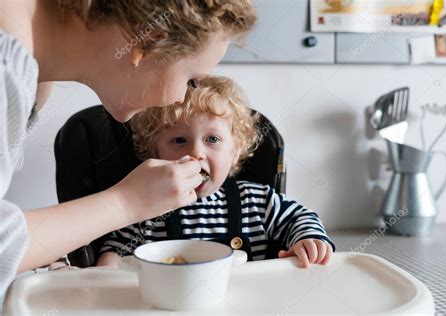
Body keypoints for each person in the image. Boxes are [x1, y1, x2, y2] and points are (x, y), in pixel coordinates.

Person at [0, 0, 256, 299]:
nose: (180, 98)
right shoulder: (7, 63)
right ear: (147, 43)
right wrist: (124, 204)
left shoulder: (36, 78)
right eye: (191, 80)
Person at [96, 76, 335, 269]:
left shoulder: (257, 201)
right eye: (179, 140)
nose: (195, 153)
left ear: (235, 150)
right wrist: (106, 268)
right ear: (155, 152)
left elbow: (299, 217)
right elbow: (114, 253)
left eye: (212, 139)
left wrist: (308, 241)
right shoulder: (145, 206)